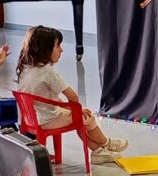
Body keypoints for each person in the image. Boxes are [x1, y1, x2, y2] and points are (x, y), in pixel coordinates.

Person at [15, 25, 128, 164]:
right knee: (86, 117)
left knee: (79, 116)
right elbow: (73, 96)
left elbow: (45, 99)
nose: (61, 50)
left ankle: (99, 150)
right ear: (46, 49)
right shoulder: (47, 71)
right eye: (58, 46)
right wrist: (76, 110)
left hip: (31, 120)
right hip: (47, 120)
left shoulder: (25, 67)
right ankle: (106, 144)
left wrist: (70, 109)